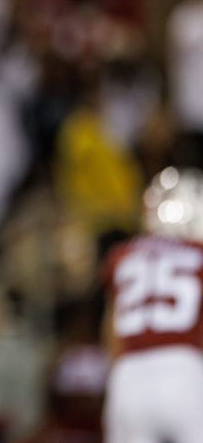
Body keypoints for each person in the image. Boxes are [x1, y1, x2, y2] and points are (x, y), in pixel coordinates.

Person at [102, 166, 203, 443]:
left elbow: (112, 335)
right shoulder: (198, 254)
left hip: (128, 375)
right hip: (184, 370)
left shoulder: (123, 255)